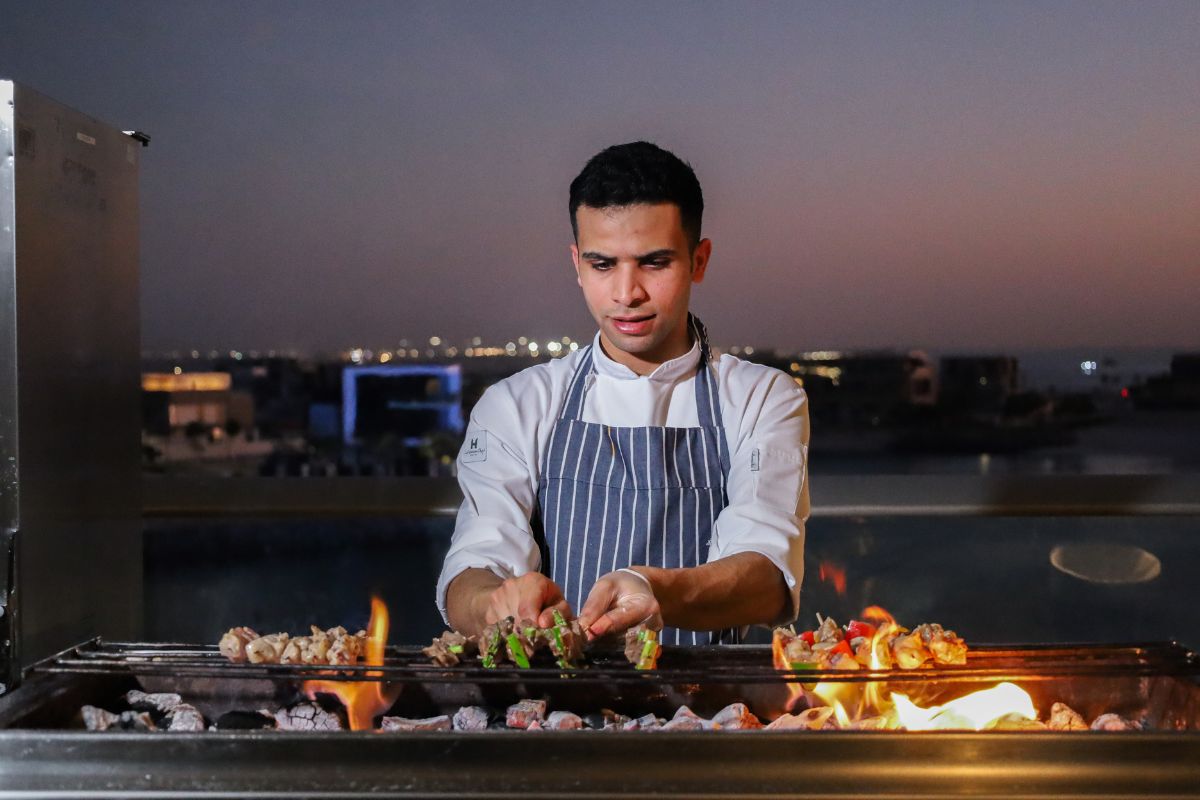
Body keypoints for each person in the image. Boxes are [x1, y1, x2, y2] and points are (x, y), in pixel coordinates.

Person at [437, 141, 809, 645]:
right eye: (603, 264)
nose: (626, 293)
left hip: (709, 710)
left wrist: (654, 590)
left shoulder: (762, 397)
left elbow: (768, 578)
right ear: (576, 263)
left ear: (699, 260)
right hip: (553, 710)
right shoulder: (518, 404)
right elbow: (473, 567)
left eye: (654, 263)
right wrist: (493, 602)